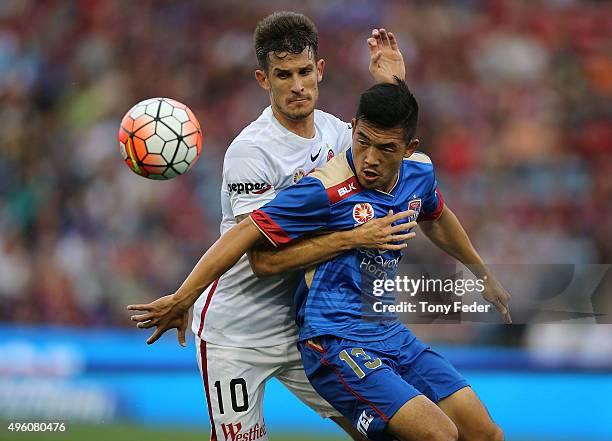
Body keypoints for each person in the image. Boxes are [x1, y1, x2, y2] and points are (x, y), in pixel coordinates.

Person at [129, 80, 511, 441]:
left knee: (485, 433)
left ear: (409, 148)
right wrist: (184, 297)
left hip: (387, 330)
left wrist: (481, 273)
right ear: (354, 128)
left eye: (386, 150)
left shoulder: (420, 172)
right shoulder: (322, 188)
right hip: (334, 338)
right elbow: (247, 238)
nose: (371, 159)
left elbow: (437, 216)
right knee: (438, 434)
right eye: (363, 142)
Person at [129, 11, 412, 441]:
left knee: (387, 432)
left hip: (308, 331)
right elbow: (262, 260)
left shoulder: (340, 135)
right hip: (235, 336)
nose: (297, 86)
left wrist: (394, 87)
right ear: (263, 79)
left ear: (319, 70)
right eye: (283, 75)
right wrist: (353, 238)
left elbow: (393, 155)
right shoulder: (251, 152)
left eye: (303, 71)